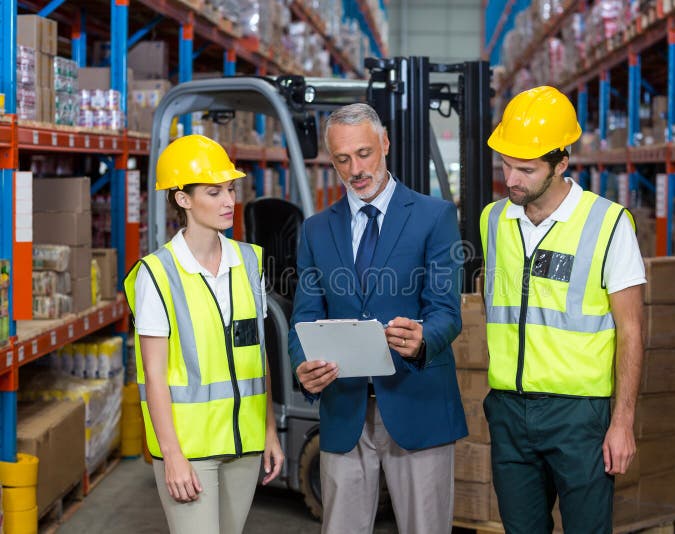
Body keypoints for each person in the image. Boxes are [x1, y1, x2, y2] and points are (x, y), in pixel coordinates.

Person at [287, 103, 467, 534]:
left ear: (385, 143)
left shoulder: (434, 216)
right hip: (344, 407)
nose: (356, 169)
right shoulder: (316, 230)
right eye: (342, 160)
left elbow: (447, 311)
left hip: (416, 401)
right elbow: (305, 317)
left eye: (364, 153)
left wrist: (424, 338)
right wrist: (302, 365)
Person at [480, 86, 646, 534]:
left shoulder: (609, 225)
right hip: (510, 412)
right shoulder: (493, 220)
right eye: (506, 165)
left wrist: (622, 423)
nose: (511, 179)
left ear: (561, 163)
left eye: (526, 169)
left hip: (579, 418)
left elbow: (631, 329)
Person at [123, 134, 284, 534]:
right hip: (189, 449)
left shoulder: (249, 261)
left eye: (230, 189)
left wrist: (269, 431)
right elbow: (153, 374)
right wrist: (171, 454)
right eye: (214, 192)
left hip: (244, 444)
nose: (229, 201)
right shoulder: (157, 275)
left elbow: (257, 353)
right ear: (183, 199)